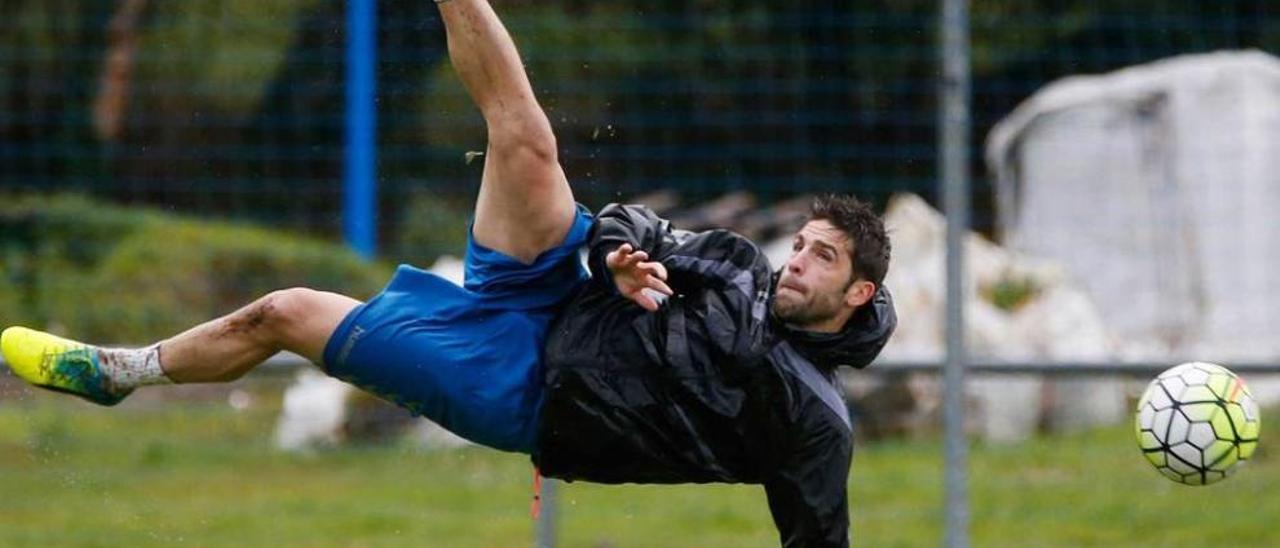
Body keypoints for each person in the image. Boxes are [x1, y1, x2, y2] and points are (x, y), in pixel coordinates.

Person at [0, 1, 895, 546]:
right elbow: (639, 226)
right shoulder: (742, 268)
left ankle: (120, 374)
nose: (797, 262)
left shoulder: (813, 422)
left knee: (283, 312)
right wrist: (616, 258)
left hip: (531, 389)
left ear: (857, 293)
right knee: (523, 133)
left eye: (823, 258)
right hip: (565, 293)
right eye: (803, 243)